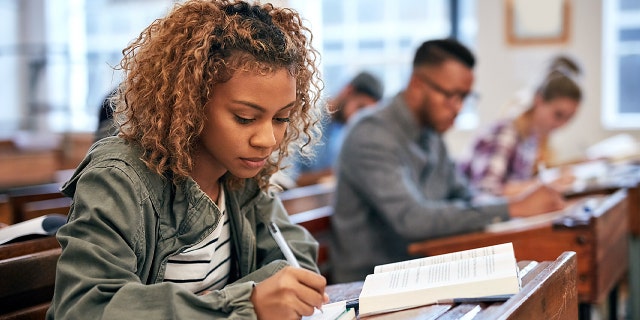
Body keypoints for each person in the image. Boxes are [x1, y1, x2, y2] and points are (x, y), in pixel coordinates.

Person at [47, 1, 328, 319]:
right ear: (191, 102)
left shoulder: (241, 176)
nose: (268, 140)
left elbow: (298, 265)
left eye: (281, 118)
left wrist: (224, 302)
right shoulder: (118, 179)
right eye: (245, 117)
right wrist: (242, 303)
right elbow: (85, 308)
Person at [330, 38, 566, 283]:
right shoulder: (370, 134)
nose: (458, 108)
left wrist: (511, 206)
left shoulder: (431, 133)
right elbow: (414, 221)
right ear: (417, 84)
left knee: (528, 277)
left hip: (423, 270)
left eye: (464, 97)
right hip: (369, 285)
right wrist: (514, 207)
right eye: (451, 95)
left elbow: (463, 194)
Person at [459, 55, 582, 196]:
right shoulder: (505, 132)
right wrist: (545, 185)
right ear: (538, 100)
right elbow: (487, 191)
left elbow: (521, 182)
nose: (562, 125)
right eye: (558, 115)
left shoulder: (531, 137)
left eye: (569, 118)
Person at [288, 71, 384, 187]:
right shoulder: (304, 119)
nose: (359, 118)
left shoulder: (345, 130)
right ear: (348, 91)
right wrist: (334, 173)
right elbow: (287, 179)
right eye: (360, 108)